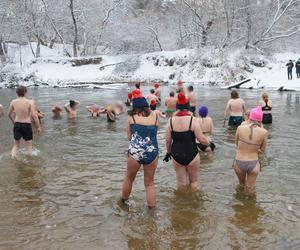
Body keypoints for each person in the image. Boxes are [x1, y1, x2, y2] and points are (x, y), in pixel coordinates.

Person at [164, 93, 210, 191]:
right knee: (194, 182)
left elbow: (168, 141)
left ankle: (181, 204)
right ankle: (193, 203)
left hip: (176, 154)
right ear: (187, 107)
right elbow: (201, 139)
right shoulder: (193, 120)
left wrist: (168, 153)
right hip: (192, 153)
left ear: (177, 107)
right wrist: (209, 143)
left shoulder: (170, 121)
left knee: (181, 183)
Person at [121, 93, 159, 208]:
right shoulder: (156, 117)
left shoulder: (131, 119)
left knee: (129, 178)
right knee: (149, 183)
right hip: (152, 151)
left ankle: (123, 202)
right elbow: (154, 133)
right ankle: (151, 211)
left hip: (135, 152)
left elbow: (129, 137)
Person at [233, 106, 268, 194]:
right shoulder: (264, 132)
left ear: (250, 117)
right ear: (260, 120)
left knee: (241, 185)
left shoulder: (240, 128)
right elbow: (262, 150)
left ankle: (241, 204)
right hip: (253, 162)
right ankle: (251, 205)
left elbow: (237, 144)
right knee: (250, 188)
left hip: (239, 161)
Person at [7, 86, 42, 157]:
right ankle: (29, 162)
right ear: (25, 92)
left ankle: (13, 158)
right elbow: (34, 116)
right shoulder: (29, 102)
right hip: (26, 125)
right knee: (29, 145)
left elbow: (9, 114)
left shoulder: (13, 102)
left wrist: (14, 122)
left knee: (16, 145)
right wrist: (38, 127)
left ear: (17, 93)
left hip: (17, 124)